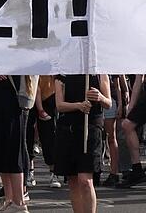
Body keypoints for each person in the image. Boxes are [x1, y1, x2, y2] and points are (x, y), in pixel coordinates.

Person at [55, 74, 111, 213]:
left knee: (85, 181)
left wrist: (100, 97)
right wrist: (78, 106)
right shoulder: (62, 73)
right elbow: (59, 105)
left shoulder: (99, 72)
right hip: (68, 130)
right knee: (73, 182)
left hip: (91, 129)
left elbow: (108, 103)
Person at [0, 75, 31, 213]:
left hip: (12, 100)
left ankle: (20, 202)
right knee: (2, 151)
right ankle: (10, 200)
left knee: (13, 152)